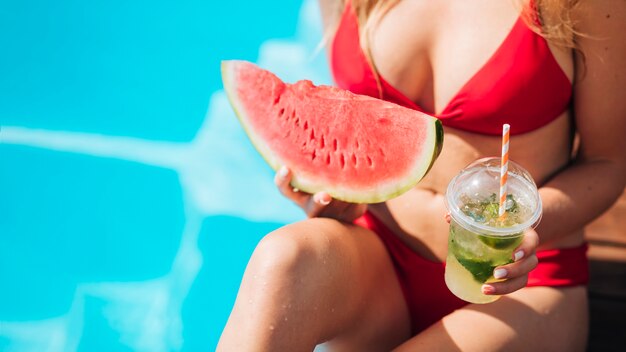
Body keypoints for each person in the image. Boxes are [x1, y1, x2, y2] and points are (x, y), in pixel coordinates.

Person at [217, 0, 625, 350]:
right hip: (379, 257)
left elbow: (609, 164)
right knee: (280, 261)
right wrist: (330, 190)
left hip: (521, 281)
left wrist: (516, 229)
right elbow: (350, 120)